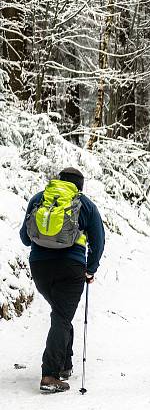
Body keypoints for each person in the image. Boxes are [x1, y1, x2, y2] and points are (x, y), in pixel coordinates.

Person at [19, 167, 105, 393]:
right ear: (80, 186)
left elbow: (24, 238)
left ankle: (65, 364)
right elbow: (99, 240)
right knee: (61, 316)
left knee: (61, 315)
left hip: (40, 267)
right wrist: (91, 269)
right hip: (71, 268)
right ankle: (50, 374)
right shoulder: (85, 204)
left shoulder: (40, 198)